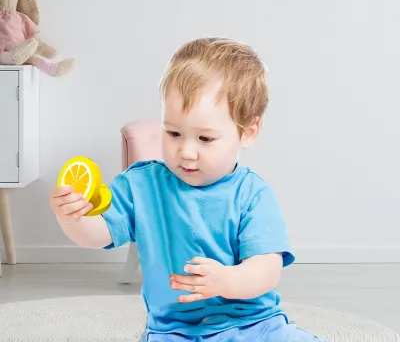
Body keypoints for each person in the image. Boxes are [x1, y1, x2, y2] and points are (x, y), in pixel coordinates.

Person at [49, 37, 325, 341]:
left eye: (205, 139)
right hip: (174, 331)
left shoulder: (251, 194)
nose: (186, 152)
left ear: (247, 132)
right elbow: (98, 233)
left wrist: (226, 280)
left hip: (253, 324)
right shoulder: (142, 185)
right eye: (174, 133)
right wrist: (72, 218)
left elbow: (267, 269)